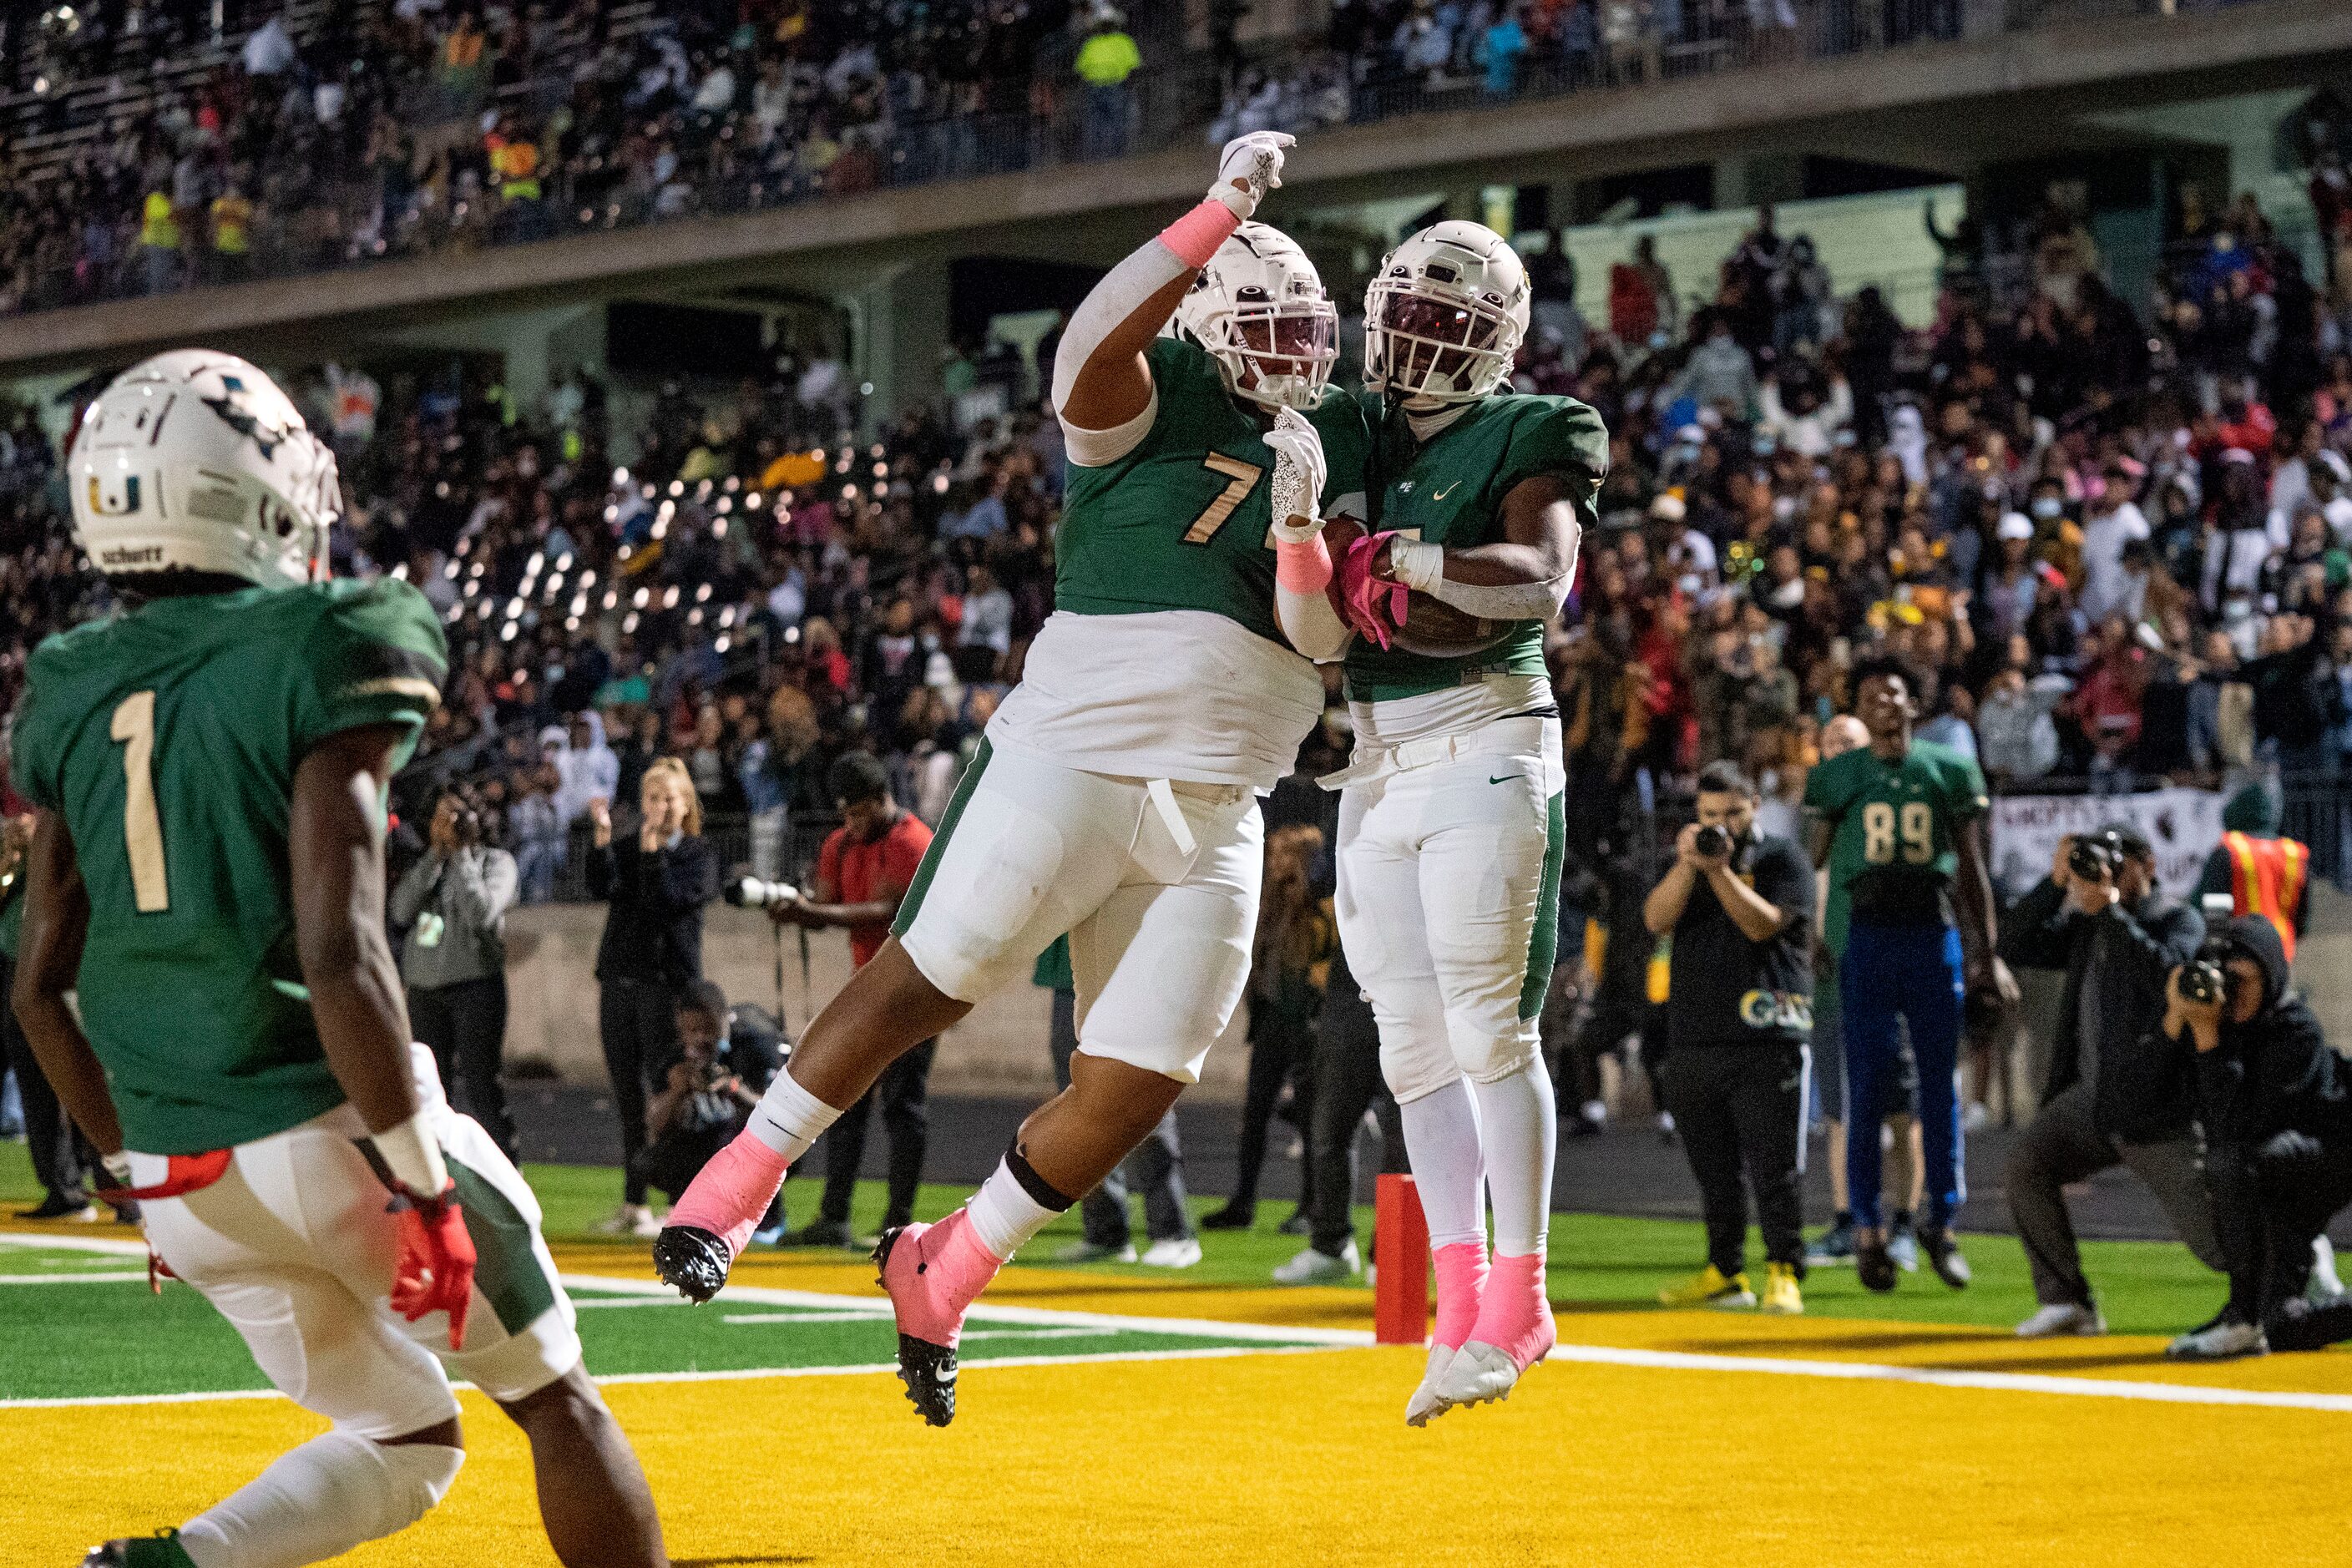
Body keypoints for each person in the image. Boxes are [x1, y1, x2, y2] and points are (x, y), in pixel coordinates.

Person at [653, 134, 1374, 1429]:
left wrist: (1308, 538)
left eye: (1304, 327)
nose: (1295, 351)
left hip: (1221, 806)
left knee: (1137, 1082)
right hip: (1078, 750)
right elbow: (1085, 348)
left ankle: (951, 1263)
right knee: (935, 973)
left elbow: (1321, 648)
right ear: (1206, 318)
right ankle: (738, 1183)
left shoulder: (1332, 443)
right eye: (1264, 322)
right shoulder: (1149, 397)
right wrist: (1216, 212)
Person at [13, 352, 665, 1568]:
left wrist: (129, 1173)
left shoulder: (68, 682)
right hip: (333, 1132)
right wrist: (422, 1184)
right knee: (557, 1402)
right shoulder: (331, 633)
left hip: (181, 1177)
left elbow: (36, 988)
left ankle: (174, 1563)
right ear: (246, 486)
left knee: (405, 1435)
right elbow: (340, 950)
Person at [1319, 219, 1603, 1423]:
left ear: (1493, 336)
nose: (1414, 338)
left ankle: (1525, 1294)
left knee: (1492, 1022)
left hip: (1488, 730)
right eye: (1405, 312)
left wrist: (1412, 563)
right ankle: (1457, 1296)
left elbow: (1536, 583)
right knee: (1408, 1040)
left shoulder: (1540, 427)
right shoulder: (1360, 426)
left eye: (1444, 319)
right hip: (1376, 753)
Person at [1804, 657, 2016, 1293]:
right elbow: (1816, 858)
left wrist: (1989, 952)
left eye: (1894, 693)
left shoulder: (1947, 768)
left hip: (1932, 932)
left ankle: (1940, 1223)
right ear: (1859, 708)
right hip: (1867, 936)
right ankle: (1867, 1228)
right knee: (1865, 1089)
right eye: (1871, 696)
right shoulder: (1838, 774)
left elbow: (1972, 867)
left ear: (1911, 703)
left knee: (1938, 1090)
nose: (1885, 704)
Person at [1996, 827, 2218, 1337]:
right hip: (2093, 1099)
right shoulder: (2086, 925)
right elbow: (2014, 942)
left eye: (2118, 864)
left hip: (2153, 1104)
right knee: (2028, 1164)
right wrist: (2055, 885)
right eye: (2099, 865)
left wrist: (2111, 912)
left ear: (2148, 866)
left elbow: (2171, 976)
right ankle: (2068, 1301)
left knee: (2215, 1242)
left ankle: (2295, 1264)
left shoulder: (2175, 918)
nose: (2107, 875)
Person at [1646, 762, 1814, 1316]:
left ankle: (1784, 1269)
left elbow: (1763, 924)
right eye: (1710, 816)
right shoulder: (1689, 865)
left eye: (1732, 813)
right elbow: (1655, 918)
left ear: (1754, 807)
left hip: (1766, 1033)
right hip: (1695, 1033)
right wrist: (1688, 864)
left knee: (1773, 1167)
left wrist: (1717, 871)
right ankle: (1724, 1270)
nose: (1722, 825)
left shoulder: (1781, 858)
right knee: (1713, 1169)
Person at [769, 752, 938, 1247]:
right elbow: (824, 904)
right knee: (846, 1102)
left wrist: (814, 910)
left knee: (903, 1107)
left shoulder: (914, 842)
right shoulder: (841, 843)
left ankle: (900, 1220)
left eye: (859, 812)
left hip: (917, 991)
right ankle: (834, 1215)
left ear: (882, 799)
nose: (851, 823)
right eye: (845, 813)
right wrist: (793, 906)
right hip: (867, 989)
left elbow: (888, 912)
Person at [2171, 918, 2352, 1359]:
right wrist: (2175, 1019)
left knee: (2234, 1161)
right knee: (2286, 1328)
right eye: (2224, 979)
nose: (2232, 992)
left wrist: (2210, 1040)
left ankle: (2243, 1313)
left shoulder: (2296, 1029)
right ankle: (2251, 1314)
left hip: (2328, 1159)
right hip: (2282, 1181)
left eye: (2242, 980)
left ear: (2270, 975)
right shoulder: (2224, 1023)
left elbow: (2240, 1126)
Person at [1803, 713, 1925, 1272]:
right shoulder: (1818, 820)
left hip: (1890, 978)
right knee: (1839, 1115)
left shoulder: (1893, 813)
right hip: (1832, 991)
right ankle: (1848, 1220)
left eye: (1848, 744)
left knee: (1901, 1114)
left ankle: (1904, 1225)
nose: (1838, 754)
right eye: (1830, 745)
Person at [587, 757, 718, 1238]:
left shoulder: (698, 854)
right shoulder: (631, 846)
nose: (660, 808)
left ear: (686, 806)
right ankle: (634, 1201)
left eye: (669, 798)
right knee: (627, 1094)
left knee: (669, 1092)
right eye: (652, 798)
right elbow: (603, 888)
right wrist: (602, 841)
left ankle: (677, 1201)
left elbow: (663, 902)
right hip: (620, 981)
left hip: (666, 987)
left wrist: (651, 854)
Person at [1035, 934, 1201, 1266]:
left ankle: (1173, 1232)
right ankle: (1106, 1232)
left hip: (1132, 965)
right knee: (1080, 1104)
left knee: (1141, 1092)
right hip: (1074, 968)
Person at [1204, 822, 1335, 1236]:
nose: (1275, 862)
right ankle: (1243, 1202)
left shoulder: (1320, 907)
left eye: (1284, 855)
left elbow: (1323, 963)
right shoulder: (1270, 904)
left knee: (1313, 1122)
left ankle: (1310, 1208)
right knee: (1255, 1115)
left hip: (1307, 1024)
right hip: (1272, 1020)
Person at [391, 786, 522, 1161]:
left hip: (475, 989)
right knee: (432, 1092)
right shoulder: (428, 865)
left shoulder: (496, 863)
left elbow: (482, 915)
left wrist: (462, 854)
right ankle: (439, 1180)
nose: (446, 827)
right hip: (425, 992)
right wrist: (435, 856)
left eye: (455, 817)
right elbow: (400, 911)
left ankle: (508, 1178)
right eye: (439, 818)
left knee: (483, 1089)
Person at [1272, 938, 1405, 1282]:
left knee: (1403, 1133)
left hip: (1411, 978)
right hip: (1352, 981)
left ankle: (1390, 1254)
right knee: (1329, 1126)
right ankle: (1331, 1246)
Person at [0, 807, 99, 1220]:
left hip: (60, 978)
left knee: (73, 1080)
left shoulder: (69, 846)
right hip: (27, 974)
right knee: (49, 1086)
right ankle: (68, 1189)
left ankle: (114, 1189)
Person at [634, 980, 784, 1232]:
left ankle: (768, 1220)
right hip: (705, 1145)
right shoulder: (676, 1058)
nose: (702, 1039)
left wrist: (735, 1090)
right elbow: (654, 1124)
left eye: (708, 1030)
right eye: (692, 1031)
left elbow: (779, 1116)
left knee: (742, 1142)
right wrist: (678, 1092)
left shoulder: (752, 1047)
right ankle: (687, 1213)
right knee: (654, 1159)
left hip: (749, 1148)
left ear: (724, 1020)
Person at [2195, 781, 2309, 960]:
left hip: (2238, 951)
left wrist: (2213, 953)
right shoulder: (2294, 853)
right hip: (2280, 951)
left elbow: (2214, 905)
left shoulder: (2230, 848)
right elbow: (2303, 917)